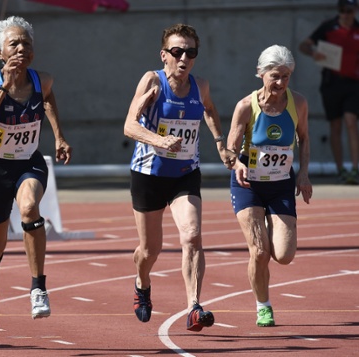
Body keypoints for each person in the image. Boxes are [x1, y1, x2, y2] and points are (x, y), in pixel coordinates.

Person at [123, 23, 233, 332]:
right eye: (177, 51)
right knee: (149, 251)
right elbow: (129, 126)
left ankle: (193, 307)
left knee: (192, 234)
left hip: (185, 174)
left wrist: (220, 143)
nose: (184, 58)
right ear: (164, 55)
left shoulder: (201, 86)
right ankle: (142, 283)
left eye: (191, 52)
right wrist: (159, 140)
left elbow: (209, 111)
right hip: (149, 175)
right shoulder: (151, 81)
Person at [0, 16, 72, 343]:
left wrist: (58, 136)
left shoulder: (43, 80)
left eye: (26, 43)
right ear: (0, 52)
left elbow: (49, 98)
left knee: (30, 209)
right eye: (14, 43)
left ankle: (38, 287)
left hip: (28, 163)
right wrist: (4, 88)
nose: (21, 48)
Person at [226, 45, 312, 327]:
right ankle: (263, 306)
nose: (280, 83)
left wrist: (303, 174)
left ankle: (272, 228)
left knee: (284, 256)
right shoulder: (245, 106)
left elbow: (304, 138)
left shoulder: (297, 103)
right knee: (259, 251)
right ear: (260, 74)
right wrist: (236, 163)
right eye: (275, 76)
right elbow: (231, 146)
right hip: (248, 183)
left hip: (281, 183)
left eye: (286, 76)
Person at [299, 0, 359, 185]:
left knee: (351, 121)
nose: (345, 14)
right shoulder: (328, 27)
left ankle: (355, 169)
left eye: (349, 10)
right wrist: (314, 53)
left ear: (355, 10)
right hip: (331, 83)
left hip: (354, 84)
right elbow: (304, 45)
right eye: (342, 10)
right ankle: (341, 169)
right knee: (335, 125)